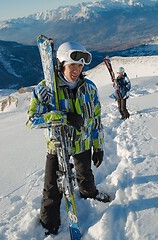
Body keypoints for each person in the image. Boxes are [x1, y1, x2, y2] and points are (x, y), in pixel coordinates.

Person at [26, 41, 110, 235]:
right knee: (52, 188)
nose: (77, 70)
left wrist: (98, 146)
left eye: (80, 66)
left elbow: (96, 118)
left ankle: (89, 193)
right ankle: (49, 224)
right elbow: (32, 121)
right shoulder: (45, 90)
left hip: (82, 142)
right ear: (61, 64)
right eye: (73, 65)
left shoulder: (89, 88)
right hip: (57, 146)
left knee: (85, 173)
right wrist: (62, 117)